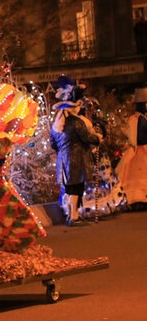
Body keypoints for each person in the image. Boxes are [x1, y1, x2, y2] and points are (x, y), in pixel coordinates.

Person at [49, 76, 102, 225]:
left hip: (63, 162)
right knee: (77, 189)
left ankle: (71, 215)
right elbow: (88, 138)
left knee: (69, 189)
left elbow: (53, 144)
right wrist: (98, 137)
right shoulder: (76, 122)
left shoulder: (56, 125)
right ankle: (74, 217)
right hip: (77, 161)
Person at [116, 86, 147, 207]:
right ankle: (136, 198)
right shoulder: (135, 119)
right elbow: (133, 135)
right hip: (139, 150)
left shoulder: (141, 118)